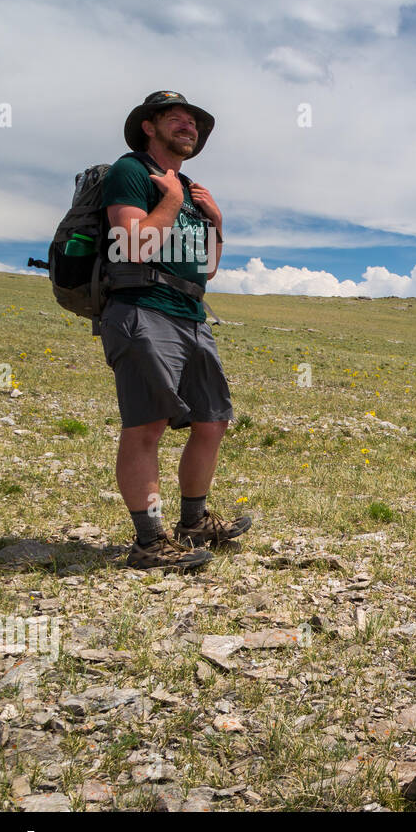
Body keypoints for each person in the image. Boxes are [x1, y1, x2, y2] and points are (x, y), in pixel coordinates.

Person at [100, 91, 250, 570]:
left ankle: (194, 522)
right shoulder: (131, 171)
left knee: (212, 421)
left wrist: (217, 221)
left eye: (194, 122)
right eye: (177, 119)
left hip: (190, 312)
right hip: (143, 309)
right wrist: (171, 199)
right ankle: (148, 541)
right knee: (148, 424)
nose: (189, 126)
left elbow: (206, 270)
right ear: (150, 126)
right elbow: (133, 245)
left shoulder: (187, 186)